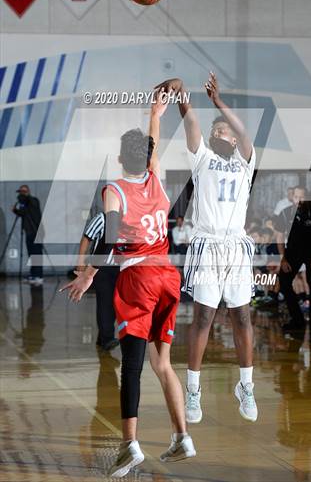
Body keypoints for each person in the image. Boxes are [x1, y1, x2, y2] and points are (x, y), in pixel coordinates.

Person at [61, 89, 196, 477]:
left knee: (132, 367)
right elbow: (153, 144)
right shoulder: (155, 178)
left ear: (120, 159)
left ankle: (129, 446)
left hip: (138, 278)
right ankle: (182, 436)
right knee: (164, 364)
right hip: (168, 275)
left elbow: (111, 238)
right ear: (146, 158)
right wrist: (157, 112)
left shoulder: (114, 190)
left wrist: (88, 273)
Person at [172, 71, 258, 424]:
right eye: (216, 130)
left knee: (241, 315)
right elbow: (190, 122)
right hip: (207, 244)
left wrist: (219, 102)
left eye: (224, 129)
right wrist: (182, 96)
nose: (219, 132)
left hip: (236, 245)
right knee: (204, 316)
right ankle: (193, 391)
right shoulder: (202, 159)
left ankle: (246, 387)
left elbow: (246, 133)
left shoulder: (245, 163)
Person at [274, 186, 311, 334]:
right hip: (293, 252)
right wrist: (283, 259)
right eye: (296, 197)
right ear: (292, 198)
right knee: (284, 283)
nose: (299, 200)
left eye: (302, 197)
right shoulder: (285, 213)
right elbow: (279, 237)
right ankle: (297, 320)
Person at [76, 212, 119, 351]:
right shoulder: (102, 218)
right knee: (105, 303)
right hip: (101, 268)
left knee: (114, 304)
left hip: (121, 269)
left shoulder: (130, 217)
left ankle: (102, 338)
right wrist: (81, 261)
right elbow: (86, 239)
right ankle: (107, 339)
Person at [12, 185, 44, 286]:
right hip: (29, 232)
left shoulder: (33, 201)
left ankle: (39, 276)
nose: (21, 195)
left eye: (22, 192)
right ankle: (33, 275)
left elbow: (30, 204)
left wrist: (25, 197)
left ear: (27, 192)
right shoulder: (25, 203)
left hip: (36, 231)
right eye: (20, 193)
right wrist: (15, 211)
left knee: (37, 255)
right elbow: (23, 213)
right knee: (31, 255)